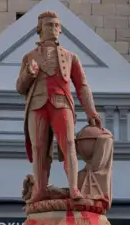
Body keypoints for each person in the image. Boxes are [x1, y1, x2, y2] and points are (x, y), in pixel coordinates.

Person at [16, 11, 102, 203]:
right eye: (49, 25)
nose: (53, 29)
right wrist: (29, 74)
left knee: (69, 144)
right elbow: (20, 88)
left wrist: (91, 111)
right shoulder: (29, 57)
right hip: (37, 106)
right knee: (39, 147)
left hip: (61, 103)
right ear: (39, 29)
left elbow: (82, 86)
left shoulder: (71, 57)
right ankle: (39, 190)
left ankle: (74, 189)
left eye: (56, 26)